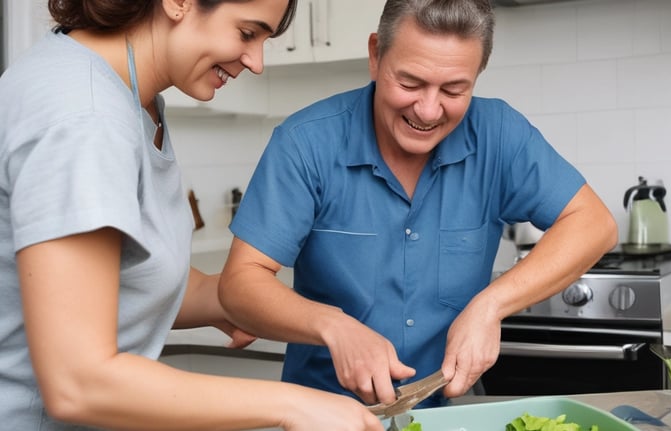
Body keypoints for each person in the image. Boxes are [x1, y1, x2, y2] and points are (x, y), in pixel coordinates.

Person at [0, 0, 386, 430]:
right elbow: (79, 382)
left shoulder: (131, 99)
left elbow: (118, 280)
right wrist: (296, 404)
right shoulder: (84, 117)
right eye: (247, 33)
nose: (256, 62)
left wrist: (234, 299)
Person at [220, 0, 618, 410]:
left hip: (451, 413)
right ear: (376, 55)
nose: (428, 111)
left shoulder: (500, 134)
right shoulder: (305, 143)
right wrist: (334, 326)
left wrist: (490, 306)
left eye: (453, 90)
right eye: (410, 83)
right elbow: (239, 284)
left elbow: (594, 224)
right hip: (324, 412)